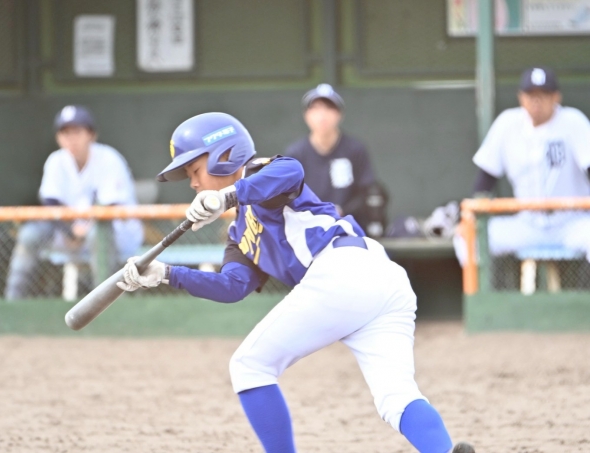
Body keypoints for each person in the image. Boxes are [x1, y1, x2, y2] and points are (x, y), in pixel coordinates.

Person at [116, 112, 474, 453]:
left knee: (250, 366)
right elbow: (232, 287)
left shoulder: (261, 174)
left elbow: (291, 170)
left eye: (195, 170)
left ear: (225, 156)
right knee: (396, 397)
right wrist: (167, 274)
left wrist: (227, 196)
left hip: (343, 270)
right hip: (379, 280)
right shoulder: (239, 233)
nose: (193, 184)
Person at [5, 105, 143, 300]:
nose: (71, 139)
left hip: (117, 234)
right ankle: (12, 302)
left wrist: (81, 230)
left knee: (96, 235)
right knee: (30, 235)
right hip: (71, 233)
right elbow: (50, 204)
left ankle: (109, 303)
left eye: (77, 132)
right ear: (58, 138)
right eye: (65, 133)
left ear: (92, 135)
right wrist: (70, 231)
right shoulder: (56, 161)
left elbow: (110, 209)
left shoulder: (109, 158)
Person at [455, 67, 590, 265]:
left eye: (543, 94)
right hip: (528, 225)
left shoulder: (573, 121)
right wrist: (468, 219)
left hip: (572, 223)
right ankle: (482, 286)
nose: (536, 100)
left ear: (556, 97)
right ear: (521, 97)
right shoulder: (507, 124)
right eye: (530, 94)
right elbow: (486, 178)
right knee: (467, 236)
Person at [284, 83, 387, 237]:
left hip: (350, 229)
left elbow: (367, 193)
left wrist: (342, 210)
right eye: (316, 108)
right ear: (306, 115)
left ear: (339, 114)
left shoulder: (355, 149)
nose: (322, 115)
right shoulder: (296, 153)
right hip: (309, 230)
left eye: (329, 108)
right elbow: (289, 197)